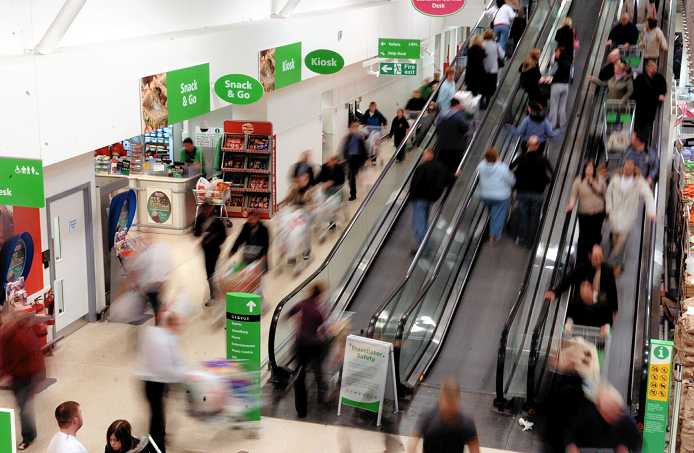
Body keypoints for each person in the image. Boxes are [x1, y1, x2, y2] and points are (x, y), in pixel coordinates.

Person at [135, 311, 185, 453]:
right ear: (172, 324)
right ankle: (157, 447)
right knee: (157, 418)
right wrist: (184, 376)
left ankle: (159, 438)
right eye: (178, 325)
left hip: (148, 380)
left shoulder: (151, 332)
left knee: (157, 415)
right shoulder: (165, 340)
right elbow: (167, 368)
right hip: (155, 383)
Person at [544, 244, 618, 336]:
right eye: (596, 257)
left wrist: (614, 309)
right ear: (590, 256)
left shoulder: (608, 271)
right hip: (582, 310)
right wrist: (555, 293)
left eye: (600, 257)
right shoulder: (582, 268)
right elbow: (568, 279)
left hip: (600, 309)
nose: (598, 260)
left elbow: (612, 291)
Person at [0, 312, 46, 450]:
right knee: (21, 406)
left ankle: (29, 436)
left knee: (24, 409)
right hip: (15, 378)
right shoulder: (6, 335)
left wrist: (37, 379)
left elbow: (35, 359)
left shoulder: (24, 336)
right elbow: (4, 356)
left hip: (26, 378)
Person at [605, 158, 657, 275]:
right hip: (614, 218)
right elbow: (608, 194)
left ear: (635, 168)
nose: (627, 168)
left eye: (630, 166)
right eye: (625, 165)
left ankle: (608, 266)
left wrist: (651, 213)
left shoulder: (639, 182)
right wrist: (609, 210)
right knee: (616, 241)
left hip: (627, 220)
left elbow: (648, 197)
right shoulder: (616, 180)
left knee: (619, 245)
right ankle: (619, 263)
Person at [407, 378, 481, 453]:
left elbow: (412, 443)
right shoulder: (466, 423)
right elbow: (475, 449)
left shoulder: (428, 417)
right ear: (459, 395)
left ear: (441, 395)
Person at [286, 282, 327, 418]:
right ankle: (322, 397)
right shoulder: (319, 309)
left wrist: (297, 320)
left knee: (299, 375)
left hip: (301, 344)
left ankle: (301, 411)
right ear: (319, 295)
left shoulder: (303, 303)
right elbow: (322, 328)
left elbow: (290, 313)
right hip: (314, 344)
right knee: (318, 369)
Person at [564, 385, 642, 453]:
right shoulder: (586, 414)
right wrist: (571, 444)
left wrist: (625, 447)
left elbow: (638, 443)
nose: (615, 416)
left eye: (617, 411)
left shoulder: (625, 418)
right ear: (600, 409)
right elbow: (569, 431)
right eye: (610, 412)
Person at [510, 136, 554, 247]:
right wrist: (545, 181)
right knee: (534, 218)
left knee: (523, 216)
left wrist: (517, 181)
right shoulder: (543, 159)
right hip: (537, 193)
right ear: (538, 146)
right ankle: (531, 242)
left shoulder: (521, 159)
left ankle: (522, 240)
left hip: (522, 192)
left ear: (527, 145)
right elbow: (550, 175)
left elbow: (510, 171)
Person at [566, 161, 608, 263]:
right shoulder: (579, 181)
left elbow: (606, 195)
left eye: (591, 168)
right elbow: (574, 195)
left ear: (594, 170)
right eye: (587, 168)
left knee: (595, 235)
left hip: (598, 212)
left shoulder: (600, 180)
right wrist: (571, 204)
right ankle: (582, 259)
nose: (589, 170)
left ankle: (595, 257)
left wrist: (608, 211)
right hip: (584, 213)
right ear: (584, 169)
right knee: (584, 236)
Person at [410, 148, 450, 253]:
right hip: (432, 199)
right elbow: (448, 179)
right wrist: (455, 176)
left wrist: (413, 196)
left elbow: (415, 183)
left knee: (419, 223)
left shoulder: (422, 168)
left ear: (431, 154)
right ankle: (423, 244)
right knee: (423, 222)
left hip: (420, 199)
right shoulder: (441, 167)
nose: (422, 157)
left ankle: (423, 247)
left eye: (424, 155)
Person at [477, 147, 515, 245]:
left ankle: (490, 228)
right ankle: (493, 237)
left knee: (493, 212)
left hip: (485, 195)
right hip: (500, 197)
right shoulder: (502, 168)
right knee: (498, 215)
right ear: (496, 157)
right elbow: (511, 181)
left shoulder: (481, 166)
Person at [194, 202, 227, 307]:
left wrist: (212, 239)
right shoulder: (200, 218)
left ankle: (214, 295)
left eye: (207, 210)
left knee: (211, 272)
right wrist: (200, 235)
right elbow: (195, 231)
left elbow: (223, 235)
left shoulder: (217, 219)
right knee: (210, 273)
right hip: (206, 250)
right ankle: (215, 291)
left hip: (214, 250)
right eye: (204, 210)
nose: (205, 212)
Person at [132, 243, 172, 317]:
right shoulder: (161, 248)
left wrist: (140, 285)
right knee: (160, 301)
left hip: (153, 285)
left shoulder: (141, 258)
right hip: (162, 282)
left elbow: (138, 275)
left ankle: (158, 317)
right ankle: (162, 314)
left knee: (153, 302)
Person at [632, 59, 667, 138]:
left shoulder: (659, 78)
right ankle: (639, 146)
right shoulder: (640, 78)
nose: (654, 69)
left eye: (655, 67)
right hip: (640, 110)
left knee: (647, 131)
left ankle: (644, 146)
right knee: (638, 130)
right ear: (646, 67)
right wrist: (657, 97)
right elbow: (637, 93)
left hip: (651, 111)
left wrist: (661, 95)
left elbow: (663, 89)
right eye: (651, 67)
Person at [436, 98, 470, 179]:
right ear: (457, 105)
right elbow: (465, 127)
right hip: (456, 146)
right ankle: (452, 181)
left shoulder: (441, 114)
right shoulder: (458, 115)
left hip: (442, 145)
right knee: (454, 166)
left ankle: (442, 180)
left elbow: (437, 127)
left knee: (443, 165)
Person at [542, 47, 571, 129]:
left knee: (554, 105)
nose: (555, 54)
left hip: (557, 85)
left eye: (557, 52)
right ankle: (562, 123)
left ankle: (552, 124)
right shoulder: (568, 62)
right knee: (562, 105)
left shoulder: (557, 63)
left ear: (561, 53)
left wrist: (546, 78)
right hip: (565, 86)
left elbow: (552, 73)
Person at [341, 121, 369, 201]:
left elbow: (364, 149)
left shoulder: (359, 137)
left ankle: (353, 194)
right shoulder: (348, 137)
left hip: (357, 159)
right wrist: (344, 158)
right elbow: (344, 148)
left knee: (352, 175)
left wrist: (365, 160)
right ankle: (353, 190)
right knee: (350, 176)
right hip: (350, 159)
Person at [482, 29, 505, 110]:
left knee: (483, 86)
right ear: (492, 36)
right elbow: (502, 55)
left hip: (483, 70)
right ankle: (487, 102)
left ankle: (481, 101)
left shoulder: (482, 44)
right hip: (493, 69)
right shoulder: (495, 44)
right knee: (491, 87)